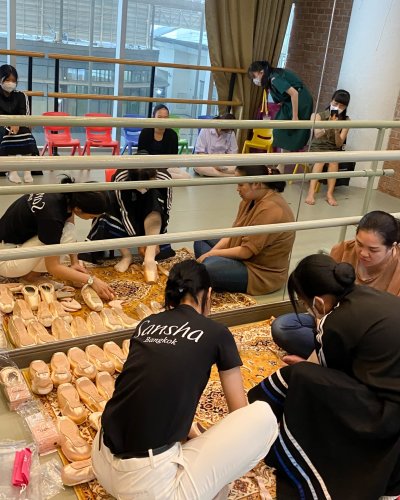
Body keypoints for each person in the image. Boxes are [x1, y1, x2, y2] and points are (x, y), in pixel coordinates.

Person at [92, 259, 278, 500]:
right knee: (262, 416)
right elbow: (239, 413)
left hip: (101, 459)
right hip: (147, 485)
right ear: (208, 294)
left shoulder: (147, 323)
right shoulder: (217, 333)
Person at [248, 254, 400, 500]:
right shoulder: (370, 296)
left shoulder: (335, 321)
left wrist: (305, 372)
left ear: (317, 302)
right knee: (302, 372)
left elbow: (328, 379)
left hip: (386, 418)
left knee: (295, 377)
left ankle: (251, 423)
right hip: (389, 397)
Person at [271, 210, 400, 359]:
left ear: (392, 246)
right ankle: (336, 359)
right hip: (332, 321)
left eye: (373, 250)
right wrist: (322, 324)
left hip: (371, 336)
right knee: (282, 327)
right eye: (359, 244)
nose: (363, 253)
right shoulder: (344, 249)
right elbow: (322, 297)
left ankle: (335, 359)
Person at [0, 176, 114, 300]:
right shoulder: (52, 217)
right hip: (7, 260)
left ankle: (32, 274)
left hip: (11, 245)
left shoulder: (66, 193)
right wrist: (92, 280)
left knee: (67, 233)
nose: (92, 220)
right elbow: (53, 267)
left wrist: (74, 262)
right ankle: (30, 277)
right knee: (63, 240)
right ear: (78, 209)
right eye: (92, 217)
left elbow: (70, 220)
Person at [194, 165, 295, 295]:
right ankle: (217, 269)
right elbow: (232, 234)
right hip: (242, 256)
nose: (237, 189)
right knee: (201, 240)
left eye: (241, 185)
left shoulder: (271, 209)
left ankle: (215, 270)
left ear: (256, 184)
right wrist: (213, 252)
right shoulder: (250, 199)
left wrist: (210, 255)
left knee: (208, 267)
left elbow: (245, 252)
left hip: (259, 273)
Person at [84, 151, 173, 282]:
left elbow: (166, 210)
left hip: (152, 216)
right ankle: (127, 255)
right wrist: (137, 241)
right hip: (126, 211)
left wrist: (154, 242)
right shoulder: (121, 176)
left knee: (154, 198)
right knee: (103, 215)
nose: (143, 188)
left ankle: (149, 258)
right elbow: (124, 211)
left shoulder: (165, 178)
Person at [248, 60, 313, 152]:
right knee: (280, 131)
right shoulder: (271, 80)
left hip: (300, 100)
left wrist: (295, 117)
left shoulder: (274, 79)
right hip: (290, 101)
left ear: (261, 72)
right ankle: (281, 164)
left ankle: (284, 162)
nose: (254, 80)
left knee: (287, 131)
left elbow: (294, 93)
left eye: (254, 77)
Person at [305, 89, 351, 206]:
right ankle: (311, 192)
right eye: (335, 104)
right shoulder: (317, 115)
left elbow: (338, 144)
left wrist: (336, 131)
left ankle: (329, 194)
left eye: (342, 106)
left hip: (332, 149)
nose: (338, 107)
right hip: (317, 148)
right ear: (331, 101)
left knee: (333, 162)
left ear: (346, 107)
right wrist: (328, 125)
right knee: (321, 160)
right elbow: (317, 134)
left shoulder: (346, 121)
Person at [0, 64, 39, 184]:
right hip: (2, 126)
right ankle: (12, 171)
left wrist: (17, 123)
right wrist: (10, 124)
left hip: (19, 126)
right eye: (7, 80)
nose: (10, 83)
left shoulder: (21, 95)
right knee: (6, 132)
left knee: (26, 132)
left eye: (13, 80)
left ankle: (27, 170)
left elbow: (25, 115)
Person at [138, 103, 190, 179]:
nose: (162, 120)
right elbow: (141, 154)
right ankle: (161, 177)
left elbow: (174, 158)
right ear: (153, 117)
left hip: (166, 168)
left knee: (187, 177)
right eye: (159, 117)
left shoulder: (172, 134)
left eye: (165, 117)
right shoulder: (146, 132)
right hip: (149, 168)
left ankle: (159, 177)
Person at [194, 113, 238, 177]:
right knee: (198, 167)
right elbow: (200, 152)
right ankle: (225, 176)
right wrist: (213, 164)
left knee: (238, 168)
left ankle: (217, 173)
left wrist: (222, 164)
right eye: (223, 130)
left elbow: (233, 154)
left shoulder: (230, 133)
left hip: (223, 162)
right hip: (207, 161)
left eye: (227, 131)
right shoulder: (206, 129)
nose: (224, 133)